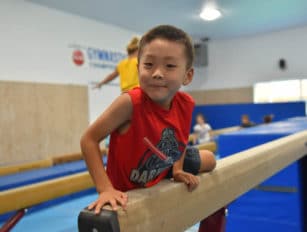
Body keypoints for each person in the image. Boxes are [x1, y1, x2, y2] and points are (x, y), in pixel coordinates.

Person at [80, 25, 217, 230]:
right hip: (129, 186)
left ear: (187, 76)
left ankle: (173, 168)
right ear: (138, 69)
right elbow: (88, 139)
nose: (157, 73)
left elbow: (179, 139)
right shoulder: (130, 103)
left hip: (163, 168)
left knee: (210, 160)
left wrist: (178, 170)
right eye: (149, 65)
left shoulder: (185, 103)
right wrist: (105, 189)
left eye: (170, 66)